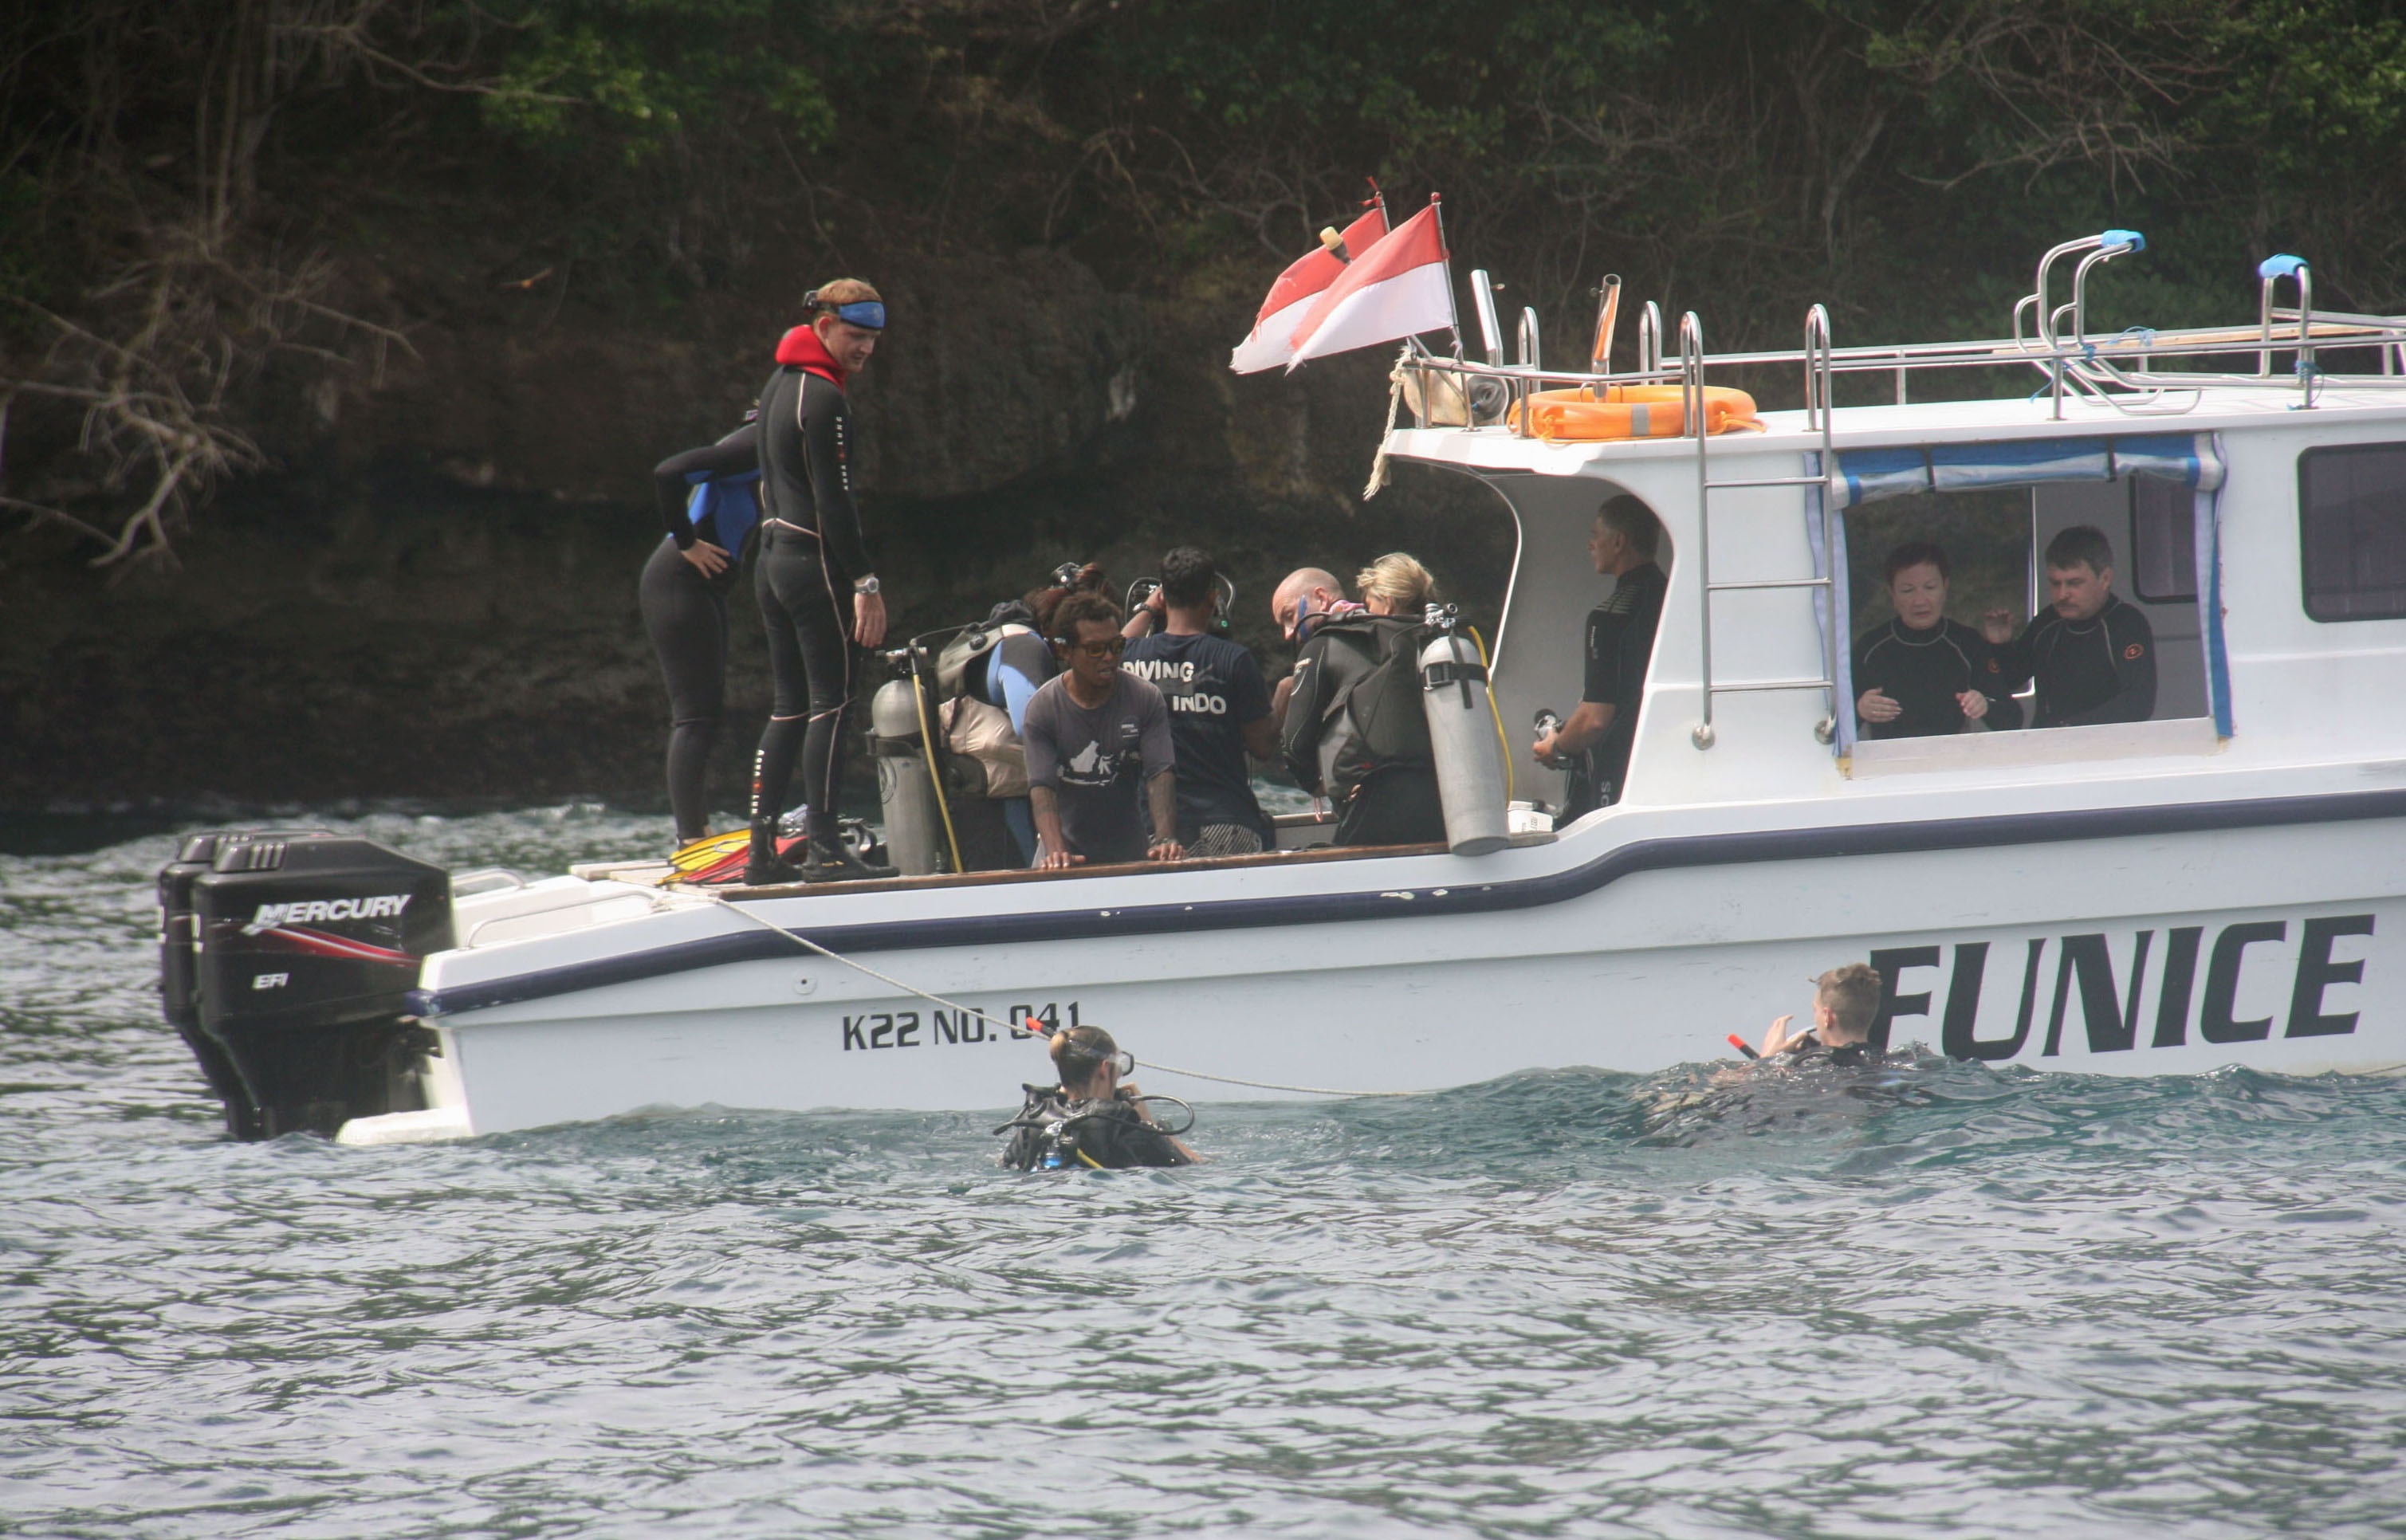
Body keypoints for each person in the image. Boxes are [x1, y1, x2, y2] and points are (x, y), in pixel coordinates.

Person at [743, 279, 895, 885]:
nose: (865, 350)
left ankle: (760, 855)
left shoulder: (779, 384)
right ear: (824, 325)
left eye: (874, 340)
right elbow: (836, 504)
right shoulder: (823, 398)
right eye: (856, 337)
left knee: (789, 708)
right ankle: (826, 851)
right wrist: (865, 581)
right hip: (813, 563)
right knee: (832, 705)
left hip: (772, 558)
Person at [641, 414, 761, 847]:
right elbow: (668, 472)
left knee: (706, 713)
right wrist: (686, 541)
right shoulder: (752, 443)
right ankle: (691, 838)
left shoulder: (770, 448)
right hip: (678, 583)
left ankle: (696, 831)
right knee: (694, 717)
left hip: (703, 591)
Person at [1280, 552, 1447, 847]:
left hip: (1380, 801)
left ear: (1389, 601)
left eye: (1369, 603)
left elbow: (1295, 743)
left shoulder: (1328, 642)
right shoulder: (1438, 642)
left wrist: (1315, 783)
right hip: (1447, 801)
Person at [1121, 548, 1276, 856]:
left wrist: (1149, 609)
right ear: (1213, 597)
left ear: (1163, 597)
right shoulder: (1235, 660)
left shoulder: (1132, 657)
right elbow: (1262, 745)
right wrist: (1284, 697)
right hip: (1228, 817)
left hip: (1155, 828)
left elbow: (1108, 650)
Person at [1021, 590, 1185, 867]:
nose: (1108, 657)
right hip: (1063, 856)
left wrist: (1166, 839)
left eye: (1116, 646)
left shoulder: (1145, 697)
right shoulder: (1043, 708)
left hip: (1129, 855)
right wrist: (1057, 852)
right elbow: (1042, 788)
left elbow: (1160, 773)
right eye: (1095, 649)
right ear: (1064, 651)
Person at [1531, 496, 1668, 818]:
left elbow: (1595, 720)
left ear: (1618, 542)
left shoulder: (1608, 617)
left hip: (1621, 764)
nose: (1590, 544)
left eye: (1595, 535)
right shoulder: (1670, 595)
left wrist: (1556, 746)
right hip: (1665, 758)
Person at [1982, 524, 2156, 729]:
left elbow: (2139, 702)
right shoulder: (2048, 622)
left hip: (2108, 751)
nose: (2063, 594)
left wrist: (2072, 729)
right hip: (2048, 750)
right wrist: (2000, 645)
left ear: (2105, 578)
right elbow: (2008, 682)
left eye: (2074, 583)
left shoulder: (2126, 623)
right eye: (2056, 584)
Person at [1853, 540, 2022, 741]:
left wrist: (1984, 704)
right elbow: (1828, 723)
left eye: (1930, 587)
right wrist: (1859, 709)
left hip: (1951, 763)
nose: (1920, 601)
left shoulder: (1967, 643)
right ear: (1892, 594)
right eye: (1908, 590)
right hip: (1886, 765)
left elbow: (2013, 721)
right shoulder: (1870, 647)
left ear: (1945, 587)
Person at [1000, 1024, 1197, 1170]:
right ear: (1104, 1069)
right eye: (1119, 1067)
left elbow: (1005, 1166)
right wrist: (1148, 1123)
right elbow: (1190, 1167)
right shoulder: (1121, 1120)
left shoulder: (1035, 1117)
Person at [1267, 566, 1364, 734]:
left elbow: (1297, 745)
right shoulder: (1378, 627)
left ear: (1321, 598)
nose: (1288, 634)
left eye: (1289, 616)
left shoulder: (1319, 650)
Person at [1758, 963, 1886, 1067]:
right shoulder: (1885, 1061)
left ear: (1827, 1017)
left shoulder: (1811, 1066)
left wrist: (1767, 1061)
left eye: (1815, 1010)